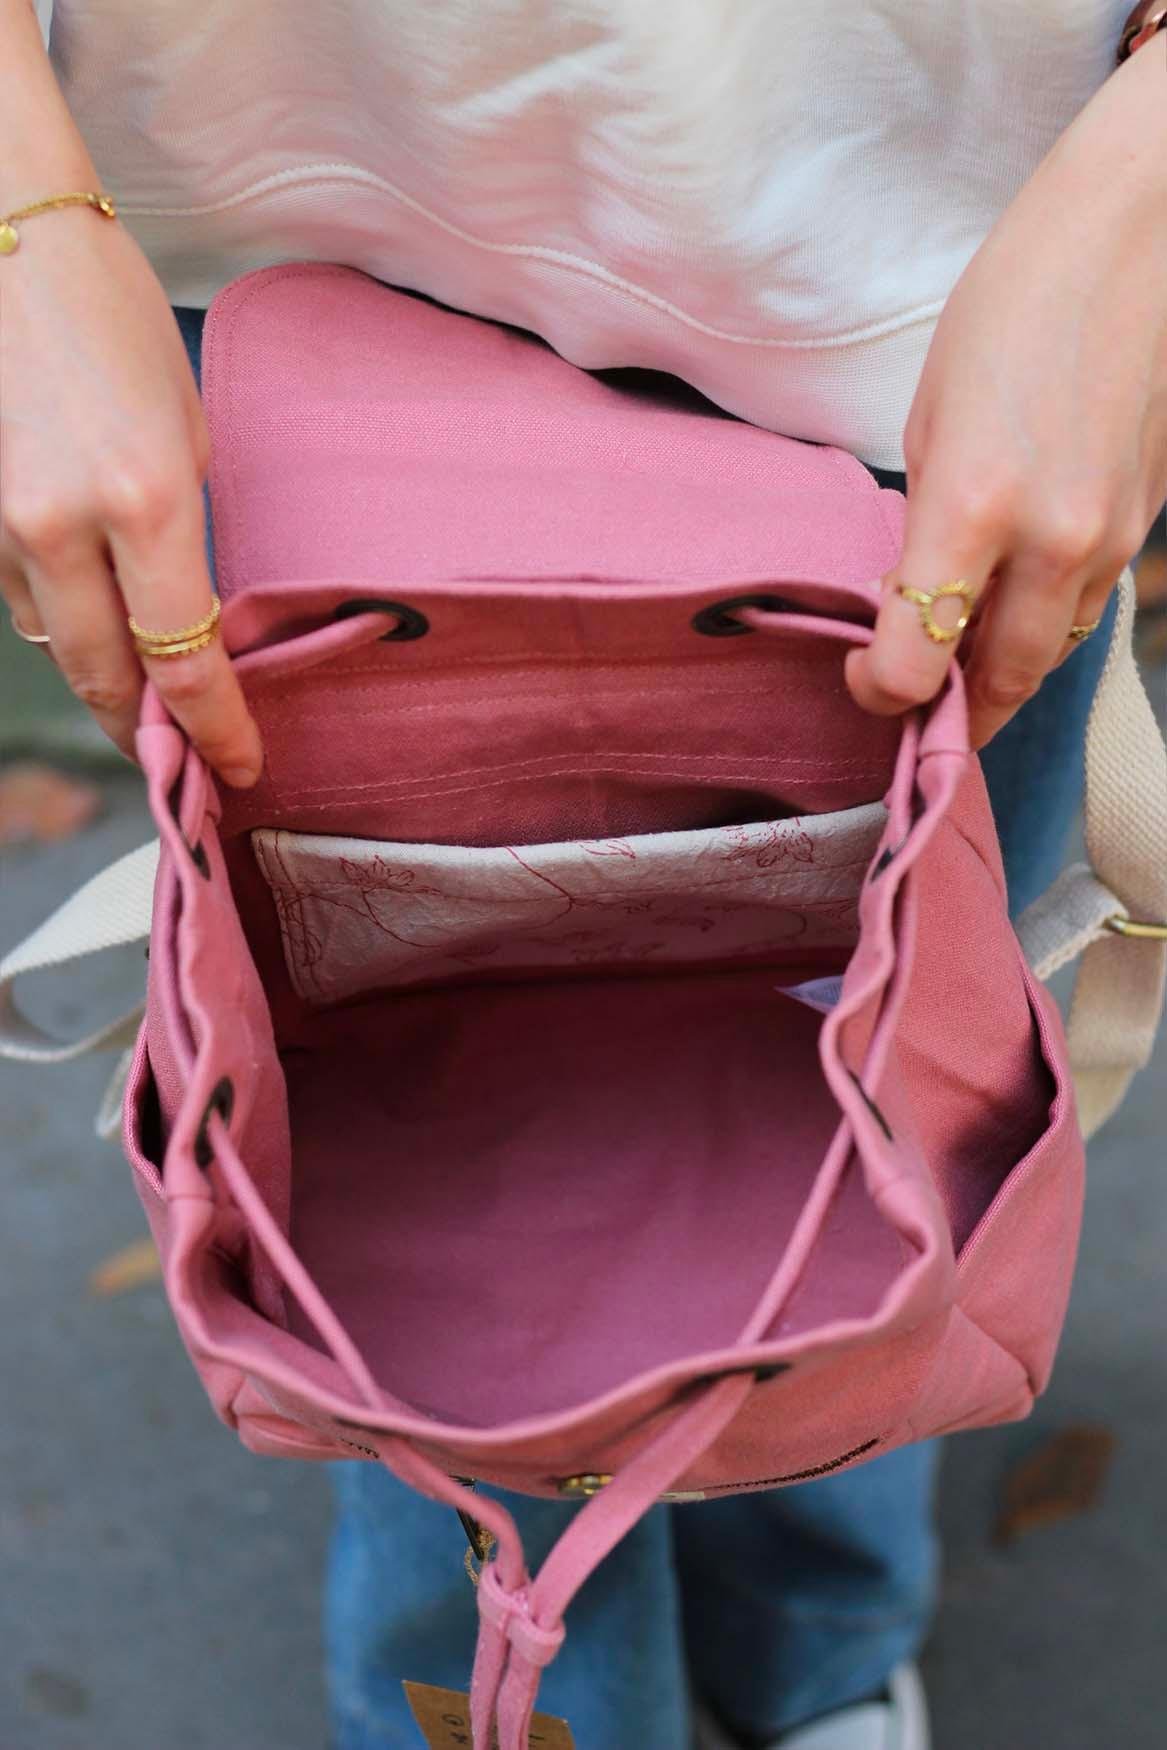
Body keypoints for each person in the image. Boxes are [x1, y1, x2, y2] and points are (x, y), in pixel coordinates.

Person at [3, 3, 1165, 1746]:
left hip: (977, 315)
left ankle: (820, 1652)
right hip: (224, 269)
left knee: (894, 1166)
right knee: (400, 1266)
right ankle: (633, 1667)